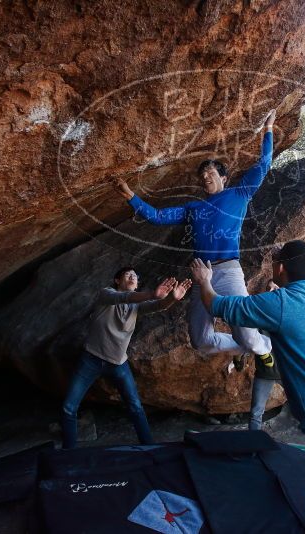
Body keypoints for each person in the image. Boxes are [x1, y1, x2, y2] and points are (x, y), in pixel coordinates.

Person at [189, 240, 305, 534]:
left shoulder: (283, 304)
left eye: (276, 261)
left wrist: (205, 281)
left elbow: (217, 305)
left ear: (281, 268)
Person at [112, 110, 277, 368]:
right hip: (202, 275)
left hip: (229, 271)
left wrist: (268, 128)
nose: (205, 178)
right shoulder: (193, 209)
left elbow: (264, 163)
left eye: (210, 173)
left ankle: (262, 347)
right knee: (200, 340)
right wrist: (129, 194)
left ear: (224, 178)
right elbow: (156, 216)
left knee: (247, 334)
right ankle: (242, 348)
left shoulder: (240, 194)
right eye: (202, 176)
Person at [61, 268, 191, 449]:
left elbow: (158, 305)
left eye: (136, 276)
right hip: (90, 359)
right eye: (128, 275)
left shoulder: (136, 306)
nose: (133, 277)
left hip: (118, 364)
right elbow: (122, 298)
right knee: (69, 407)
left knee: (136, 407)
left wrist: (172, 298)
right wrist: (152, 294)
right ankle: (68, 455)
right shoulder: (106, 295)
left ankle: (150, 449)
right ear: (117, 280)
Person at [245, 279, 282, 431]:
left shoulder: (284, 314)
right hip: (265, 373)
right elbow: (246, 337)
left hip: (285, 371)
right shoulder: (259, 316)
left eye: (275, 286)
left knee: (303, 408)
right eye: (269, 287)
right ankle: (252, 449)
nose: (272, 289)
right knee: (255, 413)